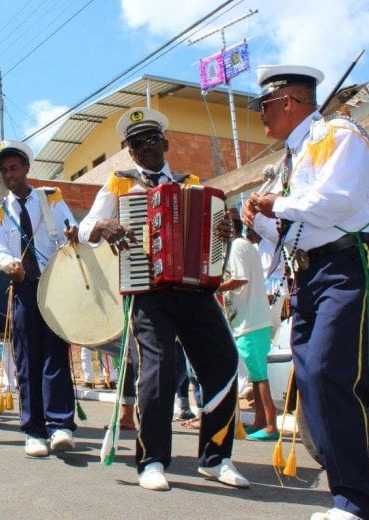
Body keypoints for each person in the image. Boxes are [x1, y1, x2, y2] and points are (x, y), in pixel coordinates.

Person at [243, 65, 369, 520]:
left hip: (352, 265)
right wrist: (259, 223)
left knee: (334, 378)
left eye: (265, 107)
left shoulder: (338, 134)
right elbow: (297, 235)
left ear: (288, 102)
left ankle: (362, 503)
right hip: (312, 274)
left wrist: (278, 203)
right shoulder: (293, 156)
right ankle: (356, 497)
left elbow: (343, 200)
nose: (261, 118)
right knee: (313, 385)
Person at [78, 107, 248, 491]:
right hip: (148, 292)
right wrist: (103, 225)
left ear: (166, 144)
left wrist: (223, 229)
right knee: (158, 370)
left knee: (223, 361)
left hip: (196, 289)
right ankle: (152, 459)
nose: (146, 148)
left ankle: (217, 457)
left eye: (152, 140)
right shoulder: (119, 184)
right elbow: (87, 224)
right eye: (137, 144)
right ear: (131, 152)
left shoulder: (193, 184)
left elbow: (216, 235)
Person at [0, 140, 79, 457]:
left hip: (54, 286)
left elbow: (71, 227)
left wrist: (72, 234)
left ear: (26, 168)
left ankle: (60, 425)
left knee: (56, 355)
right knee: (27, 359)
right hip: (23, 289)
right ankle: (34, 431)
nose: (9, 174)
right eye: (4, 171)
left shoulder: (49, 199)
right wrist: (7, 263)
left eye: (14, 167)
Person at [218, 214, 277, 441]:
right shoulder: (238, 246)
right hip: (245, 321)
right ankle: (261, 421)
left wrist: (213, 287)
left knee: (261, 377)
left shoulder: (238, 246)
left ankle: (271, 424)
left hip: (251, 321)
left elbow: (240, 279)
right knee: (255, 376)